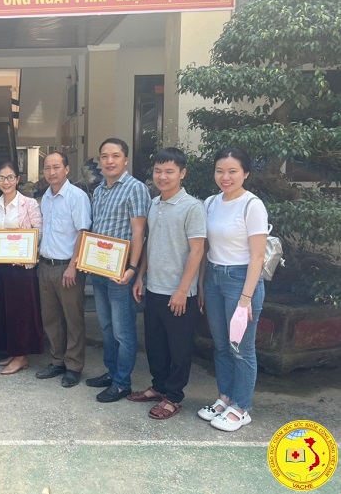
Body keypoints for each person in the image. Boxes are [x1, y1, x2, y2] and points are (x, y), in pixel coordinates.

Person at [131, 148, 206, 419]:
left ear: (182, 173)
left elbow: (197, 251)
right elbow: (151, 243)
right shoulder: (154, 204)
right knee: (155, 344)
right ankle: (159, 386)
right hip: (154, 287)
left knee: (179, 347)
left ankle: (174, 397)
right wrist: (140, 276)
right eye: (158, 171)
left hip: (179, 292)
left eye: (169, 171)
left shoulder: (193, 207)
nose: (162, 177)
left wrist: (183, 290)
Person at [197, 148, 268, 432]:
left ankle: (242, 406)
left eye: (232, 171)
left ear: (246, 173)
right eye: (220, 171)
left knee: (241, 348)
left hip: (241, 280)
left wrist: (246, 297)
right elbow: (205, 248)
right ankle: (225, 397)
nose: (225, 177)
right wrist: (202, 284)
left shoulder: (253, 206)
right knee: (222, 344)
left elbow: (258, 256)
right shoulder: (211, 203)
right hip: (214, 277)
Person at [86, 138, 151, 403]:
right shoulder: (99, 190)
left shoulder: (135, 189)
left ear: (125, 159)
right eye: (104, 156)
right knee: (106, 326)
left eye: (115, 156)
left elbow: (139, 232)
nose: (109, 161)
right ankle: (112, 373)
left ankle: (123, 383)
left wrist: (133, 268)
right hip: (98, 268)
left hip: (121, 270)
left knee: (124, 331)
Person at [35, 151, 91, 388]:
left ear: (66, 169)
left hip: (68, 269)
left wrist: (73, 266)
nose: (51, 172)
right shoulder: (45, 197)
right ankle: (57, 360)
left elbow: (83, 231)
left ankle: (74, 365)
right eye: (47, 168)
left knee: (73, 319)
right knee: (51, 319)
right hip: (46, 266)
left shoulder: (77, 197)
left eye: (56, 167)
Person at [0, 161, 44, 375]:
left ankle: (21, 356)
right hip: (0, 266)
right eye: (2, 178)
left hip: (21, 266)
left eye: (10, 177)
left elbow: (38, 232)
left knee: (21, 311)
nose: (6, 181)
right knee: (5, 310)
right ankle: (13, 351)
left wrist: (26, 253)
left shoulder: (29, 204)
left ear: (18, 179)